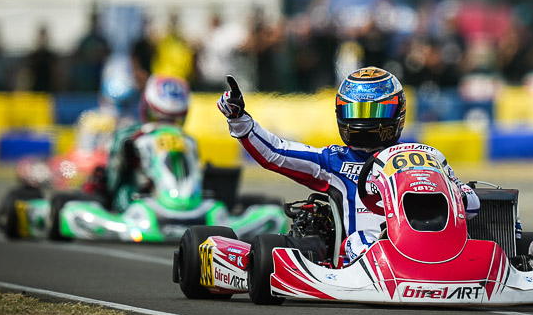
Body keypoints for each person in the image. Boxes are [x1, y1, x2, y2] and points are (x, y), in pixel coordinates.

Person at [218, 66, 480, 263]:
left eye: (374, 113)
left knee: (489, 243)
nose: (363, 122)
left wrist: (464, 195)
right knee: (360, 241)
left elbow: (470, 204)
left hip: (430, 246)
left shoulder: (425, 157)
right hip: (364, 254)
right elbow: (276, 153)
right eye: (355, 113)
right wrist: (240, 119)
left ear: (396, 115)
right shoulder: (334, 162)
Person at [102, 74, 190, 212]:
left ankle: (183, 202)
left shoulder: (188, 141)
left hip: (178, 200)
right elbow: (112, 178)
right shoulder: (130, 136)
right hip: (137, 201)